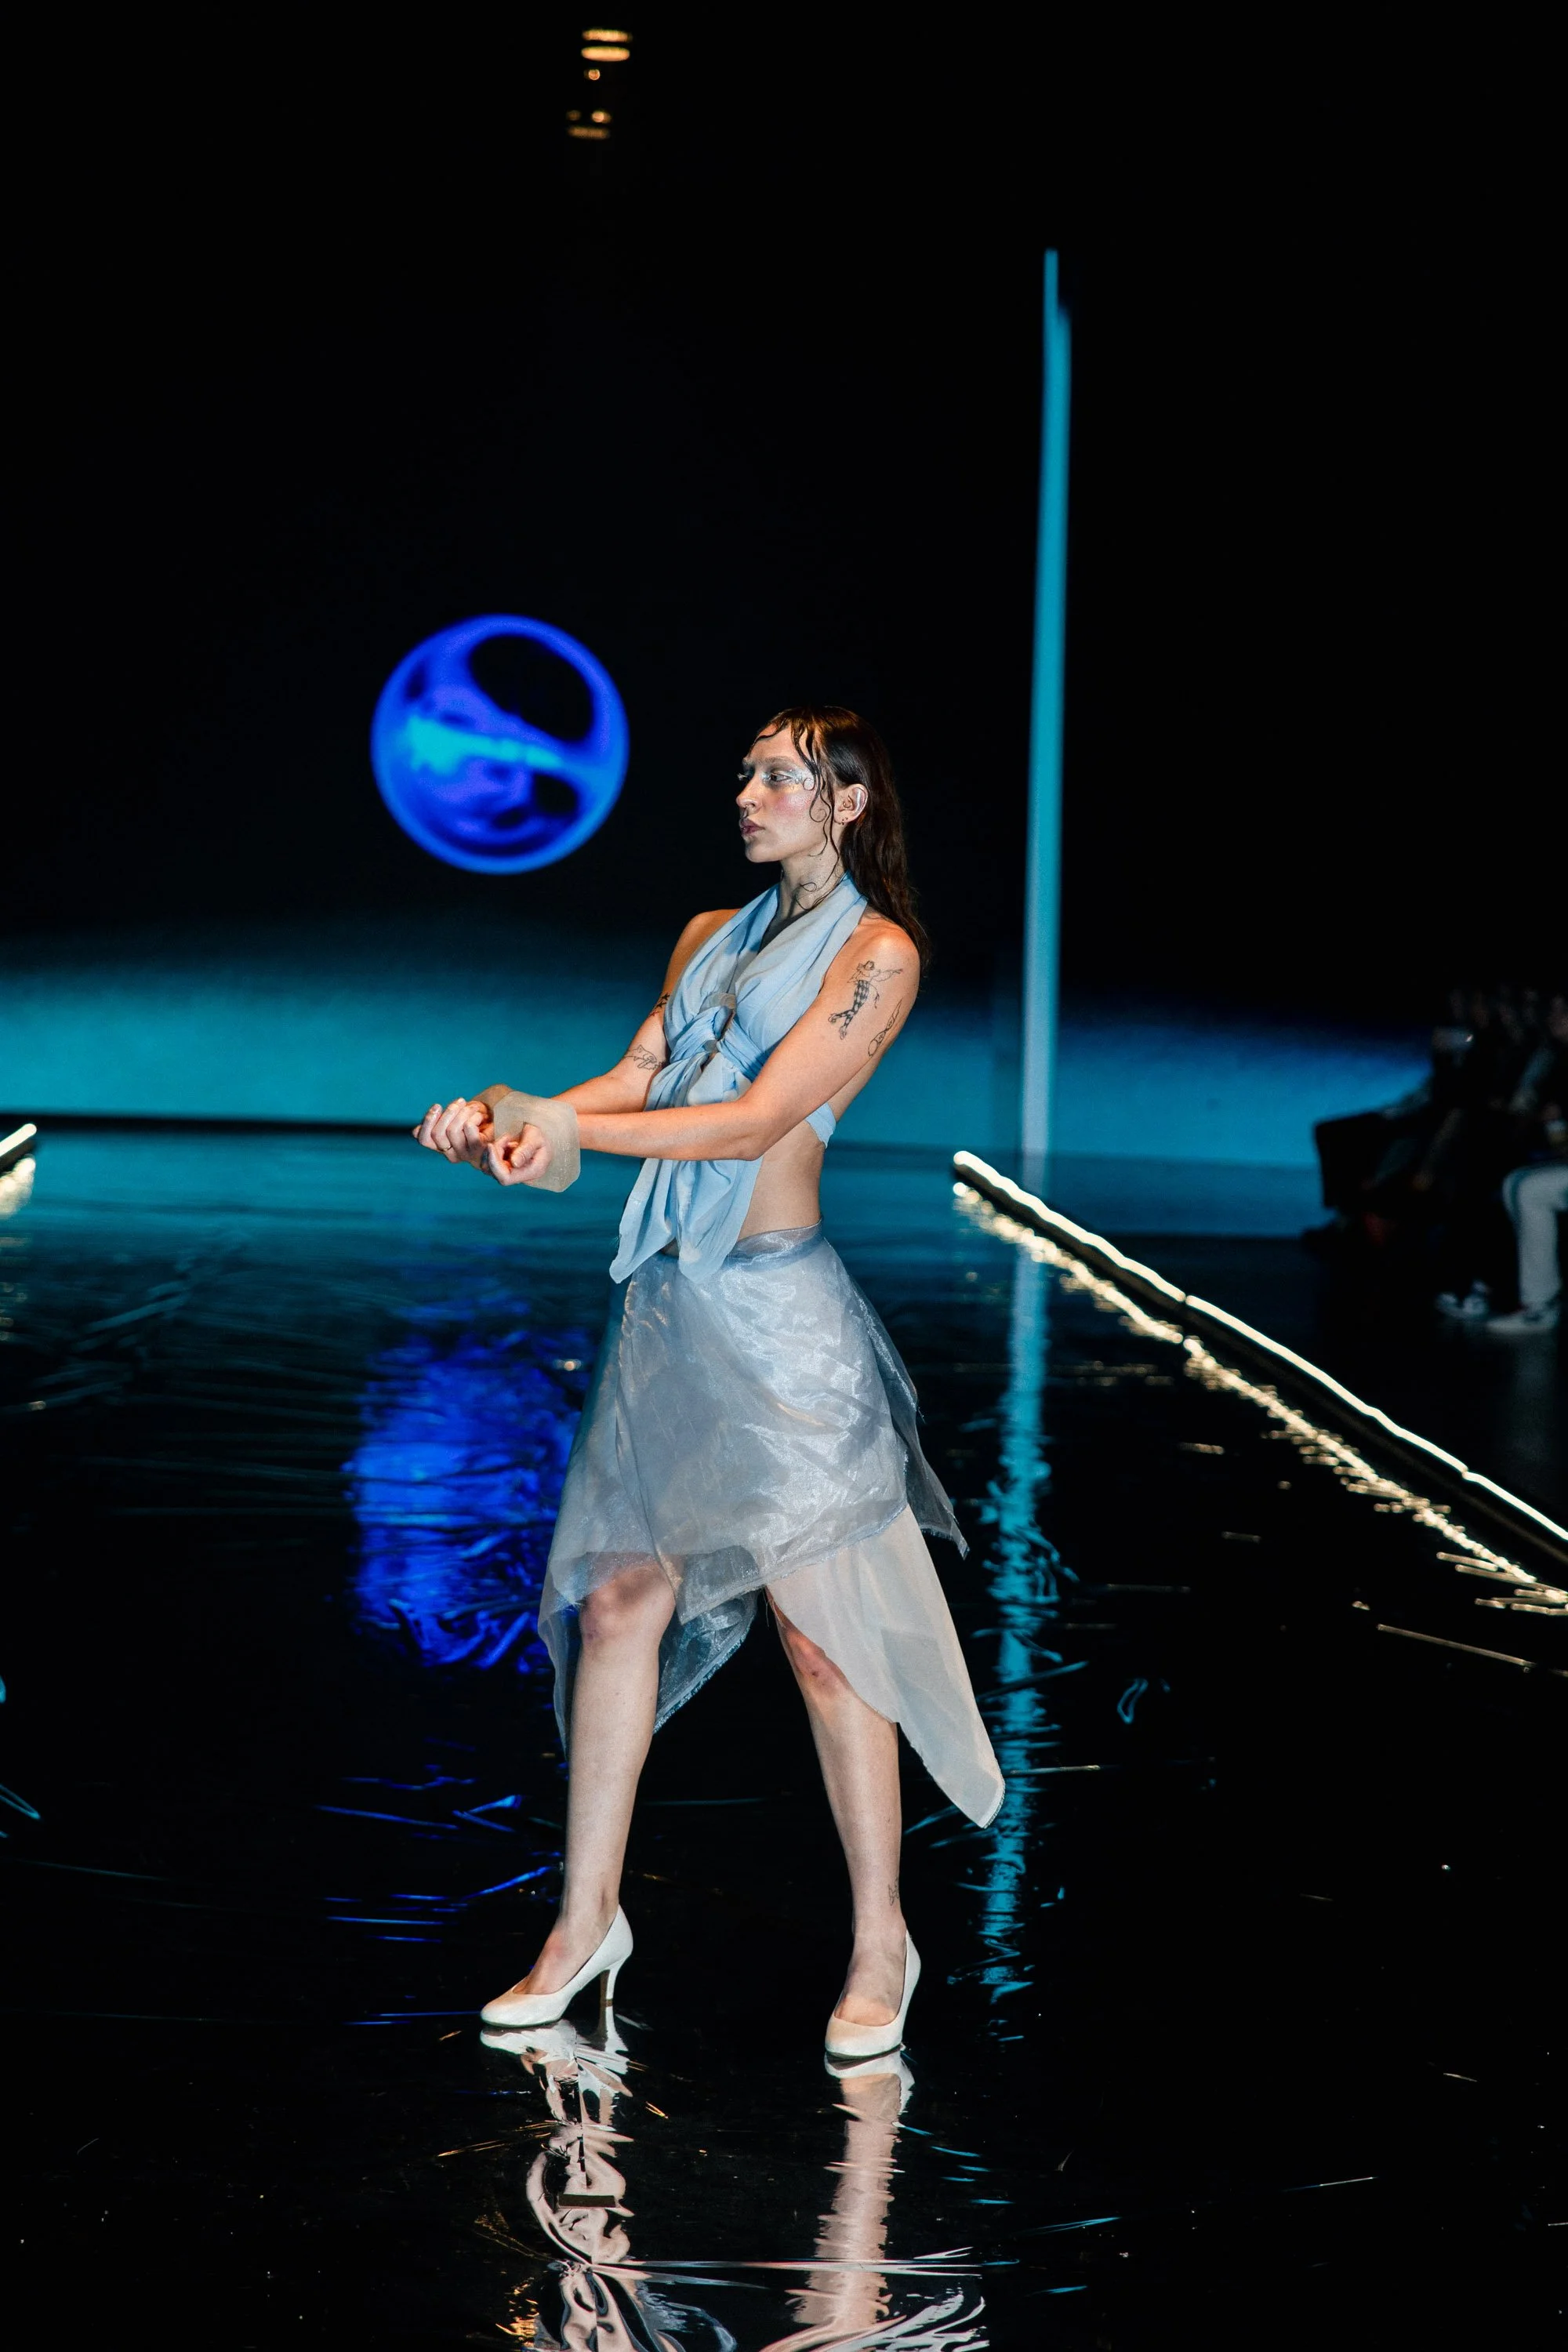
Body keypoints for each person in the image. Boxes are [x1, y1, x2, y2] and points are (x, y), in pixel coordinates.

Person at [414, 704, 1002, 2060]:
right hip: (671, 1312)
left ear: (847, 802)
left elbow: (748, 1121)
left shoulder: (879, 957)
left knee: (823, 1639)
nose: (748, 792)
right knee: (620, 1601)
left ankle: (881, 1946)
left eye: (779, 776)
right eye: (745, 771)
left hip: (785, 1320)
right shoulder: (707, 936)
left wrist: (564, 1126)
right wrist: (508, 1118)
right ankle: (586, 1925)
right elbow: (636, 1078)